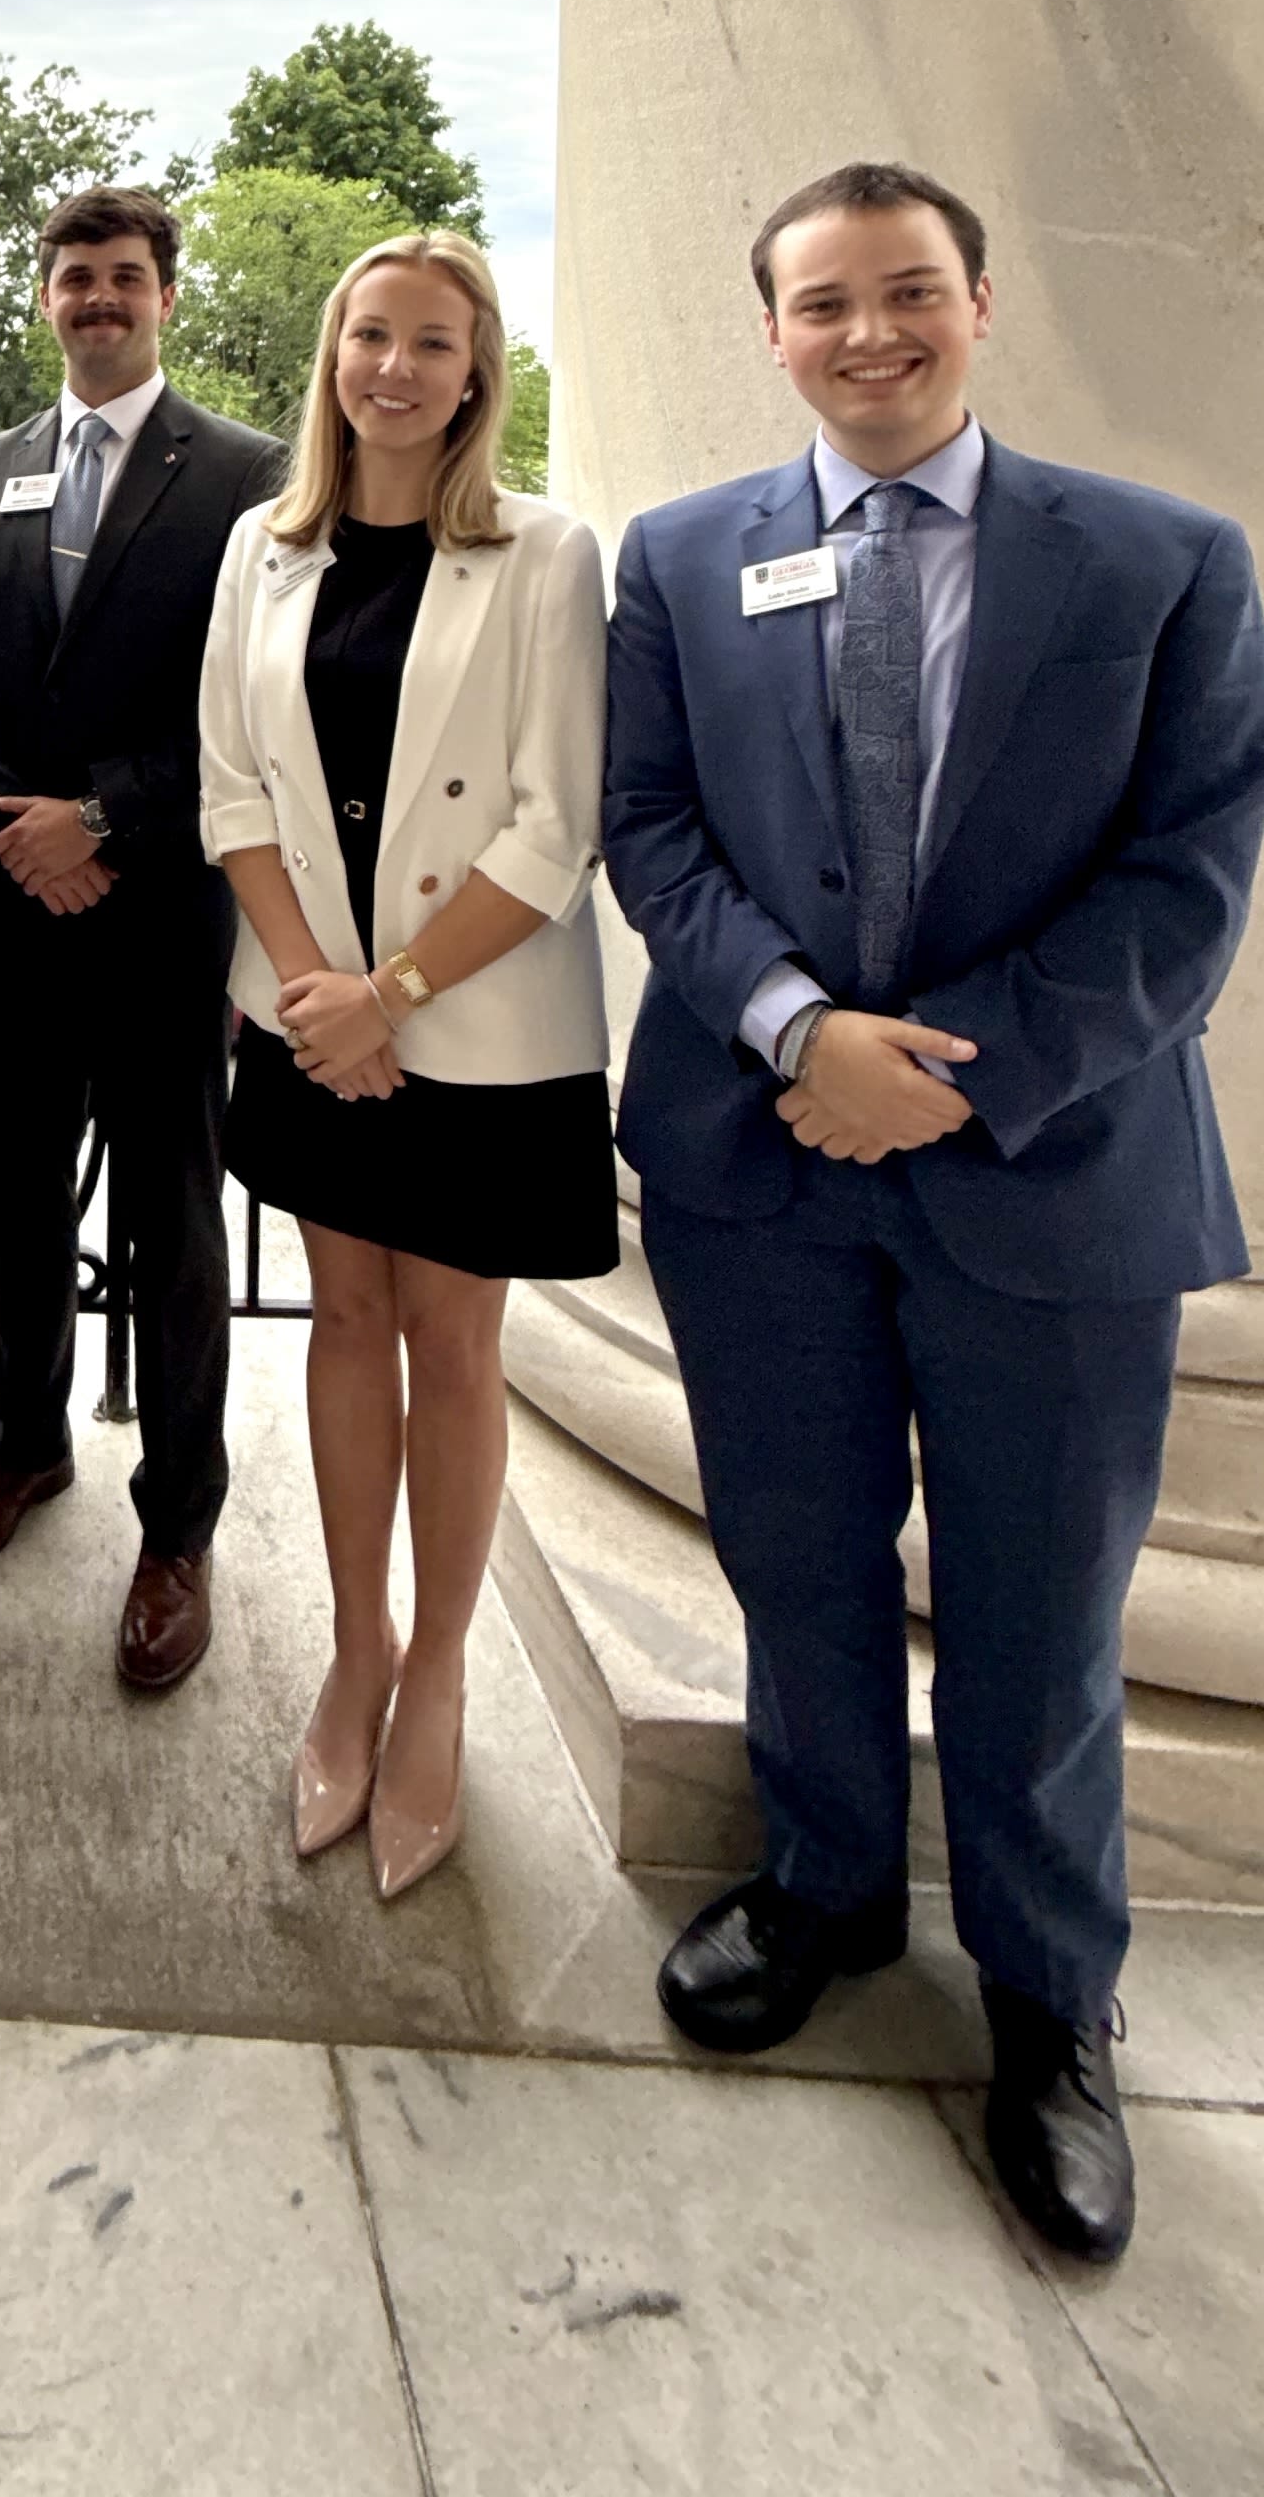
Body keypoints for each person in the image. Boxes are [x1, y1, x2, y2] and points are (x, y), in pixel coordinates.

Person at [604, 158, 1264, 2266]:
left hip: (1053, 1181)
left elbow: (1186, 885)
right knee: (794, 1565)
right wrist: (802, 1032)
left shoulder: (1167, 563)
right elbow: (650, 827)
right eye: (823, 304)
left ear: (979, 304)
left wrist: (940, 1068)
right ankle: (817, 1892)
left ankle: (1048, 2005)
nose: (866, 334)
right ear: (771, 332)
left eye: (908, 294)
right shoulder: (684, 558)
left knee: (1039, 1622)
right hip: (755, 1166)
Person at [199, 233, 612, 1895]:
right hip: (310, 1018)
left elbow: (553, 821)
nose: (395, 368)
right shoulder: (263, 546)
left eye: (432, 343)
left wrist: (399, 993)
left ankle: (439, 1670)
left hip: (485, 1032)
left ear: (476, 369)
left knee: (456, 1339)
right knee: (345, 1324)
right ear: (333, 355)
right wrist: (321, 994)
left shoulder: (541, 552)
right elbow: (233, 785)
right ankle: (355, 1650)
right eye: (372, 335)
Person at [0, 188, 283, 1686]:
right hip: (13, 921)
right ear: (47, 298)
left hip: (160, 921)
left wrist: (105, 822)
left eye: (126, 278)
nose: (99, 300)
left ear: (164, 300)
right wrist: (23, 832)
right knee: (18, 1206)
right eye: (76, 278)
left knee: (177, 1231)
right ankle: (22, 1449)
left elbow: (262, 704)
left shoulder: (250, 476)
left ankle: (179, 1525)